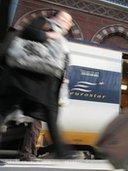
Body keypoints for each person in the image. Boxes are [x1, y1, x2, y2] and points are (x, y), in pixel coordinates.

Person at [0, 10, 77, 162]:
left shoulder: (60, 36)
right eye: (65, 19)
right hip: (23, 78)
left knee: (50, 114)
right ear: (56, 17)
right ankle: (61, 150)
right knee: (4, 110)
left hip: (40, 83)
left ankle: (61, 150)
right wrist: (50, 35)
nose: (68, 24)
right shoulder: (44, 22)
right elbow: (29, 32)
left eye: (69, 21)